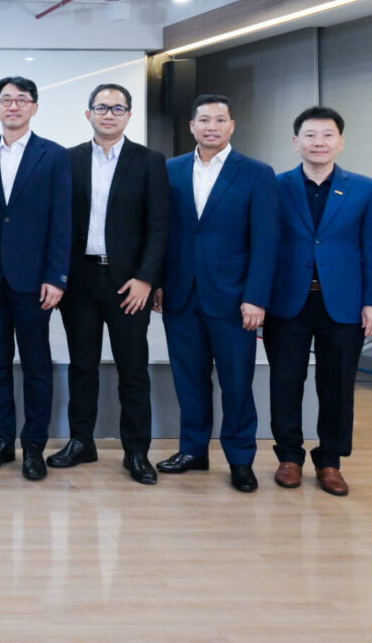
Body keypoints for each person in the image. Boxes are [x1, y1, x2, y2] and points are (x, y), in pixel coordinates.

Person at [156, 94, 278, 493]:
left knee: (237, 383)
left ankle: (241, 459)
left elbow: (266, 241)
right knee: (189, 380)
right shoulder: (170, 170)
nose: (212, 126)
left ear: (232, 126)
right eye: (204, 120)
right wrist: (158, 282)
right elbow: (161, 232)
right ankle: (193, 450)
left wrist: (256, 297)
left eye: (220, 120)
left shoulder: (257, 173)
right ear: (191, 126)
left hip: (234, 298)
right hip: (180, 295)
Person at [265, 106, 372, 496]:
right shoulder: (275, 186)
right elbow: (264, 246)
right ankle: (289, 456)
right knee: (285, 381)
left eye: (327, 135)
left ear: (341, 141)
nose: (319, 142)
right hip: (287, 302)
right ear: (296, 141)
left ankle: (330, 461)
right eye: (311, 135)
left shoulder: (365, 188)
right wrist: (258, 299)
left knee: (337, 385)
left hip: (344, 304)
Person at [51, 84, 167, 485]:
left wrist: (146, 279)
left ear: (129, 115)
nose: (109, 114)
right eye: (101, 108)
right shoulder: (68, 160)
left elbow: (159, 226)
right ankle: (81, 442)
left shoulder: (149, 161)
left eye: (118, 108)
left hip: (129, 284)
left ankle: (136, 452)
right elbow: (58, 223)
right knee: (81, 366)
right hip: (80, 280)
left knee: (132, 370)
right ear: (88, 114)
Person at [0, 76, 70, 481]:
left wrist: (57, 276)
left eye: (21, 99)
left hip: (35, 282)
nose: (13, 106)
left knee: (36, 366)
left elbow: (62, 220)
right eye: (6, 99)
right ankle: (1, 441)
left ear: (34, 107)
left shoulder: (55, 156)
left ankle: (33, 446)